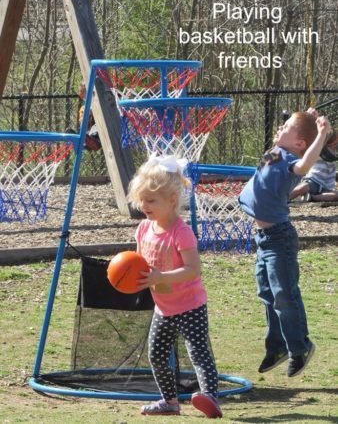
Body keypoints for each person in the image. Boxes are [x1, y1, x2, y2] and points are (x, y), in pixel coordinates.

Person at [127, 154, 222, 418]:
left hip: (190, 305)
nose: (144, 205)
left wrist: (161, 278)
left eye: (151, 200)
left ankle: (210, 398)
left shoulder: (181, 232)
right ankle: (169, 402)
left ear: (171, 201)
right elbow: (139, 264)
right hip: (163, 308)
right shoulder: (144, 229)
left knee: (198, 352)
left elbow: (193, 269)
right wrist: (130, 278)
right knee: (156, 354)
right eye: (141, 200)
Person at [238, 109, 330, 378]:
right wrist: (307, 118)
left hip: (279, 239)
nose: (280, 126)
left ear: (300, 144)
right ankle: (276, 347)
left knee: (284, 296)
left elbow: (305, 165)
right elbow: (292, 135)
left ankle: (300, 347)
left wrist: (321, 135)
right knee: (267, 295)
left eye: (286, 126)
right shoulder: (276, 152)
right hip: (263, 239)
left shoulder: (292, 159)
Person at [289, 129, 338, 202]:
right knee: (303, 187)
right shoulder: (319, 151)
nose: (335, 145)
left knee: (335, 196)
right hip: (314, 181)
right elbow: (326, 155)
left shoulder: (335, 152)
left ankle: (311, 197)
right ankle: (285, 198)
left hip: (327, 187)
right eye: (334, 143)